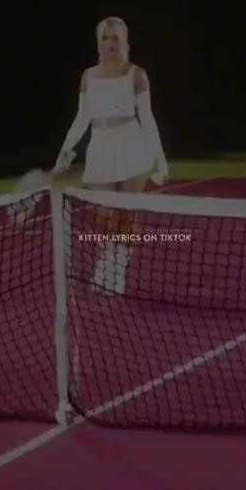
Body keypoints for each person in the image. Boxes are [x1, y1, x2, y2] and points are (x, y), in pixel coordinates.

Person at [53, 16, 168, 291]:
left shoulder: (136, 74)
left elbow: (147, 119)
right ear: (99, 43)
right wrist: (64, 154)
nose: (111, 43)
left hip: (132, 144)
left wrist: (160, 159)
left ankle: (116, 272)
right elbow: (81, 118)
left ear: (124, 40)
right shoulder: (88, 76)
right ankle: (107, 265)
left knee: (127, 215)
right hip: (100, 147)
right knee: (103, 216)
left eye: (115, 37)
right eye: (105, 37)